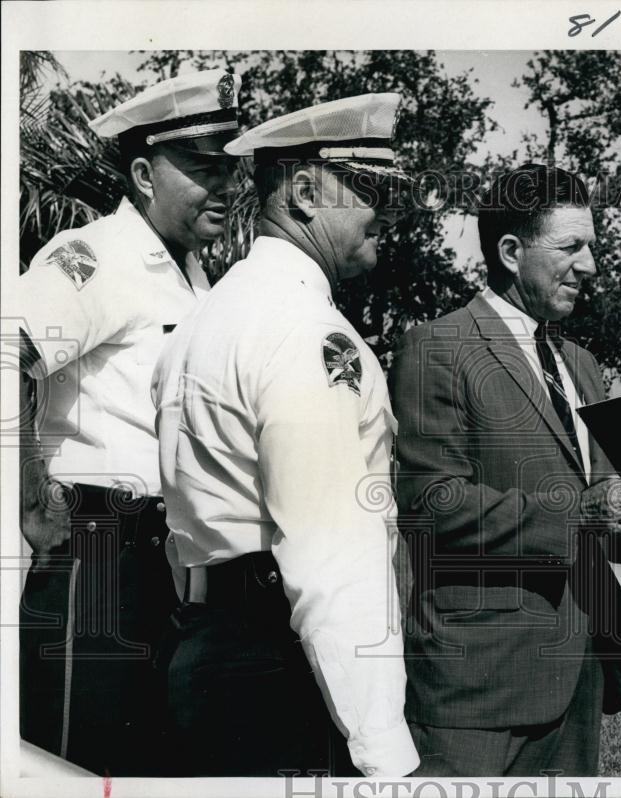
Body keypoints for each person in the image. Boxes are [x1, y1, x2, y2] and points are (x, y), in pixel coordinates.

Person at [389, 163, 621, 777]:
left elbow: (606, 502)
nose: (590, 266)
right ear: (509, 251)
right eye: (572, 246)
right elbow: (432, 502)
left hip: (581, 674)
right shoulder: (435, 348)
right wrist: (582, 513)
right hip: (478, 686)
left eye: (593, 248)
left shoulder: (580, 362)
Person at [151, 93, 419, 777]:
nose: (385, 210)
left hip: (202, 648)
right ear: (303, 191)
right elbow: (331, 556)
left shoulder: (207, 318)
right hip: (281, 667)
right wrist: (384, 750)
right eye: (369, 189)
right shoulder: (306, 332)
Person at [16, 68, 242, 776]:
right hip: (97, 547)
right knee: (78, 762)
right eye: (203, 168)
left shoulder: (199, 280)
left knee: (147, 766)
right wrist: (28, 498)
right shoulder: (98, 256)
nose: (226, 186)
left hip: (167, 562)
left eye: (230, 168)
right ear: (144, 173)